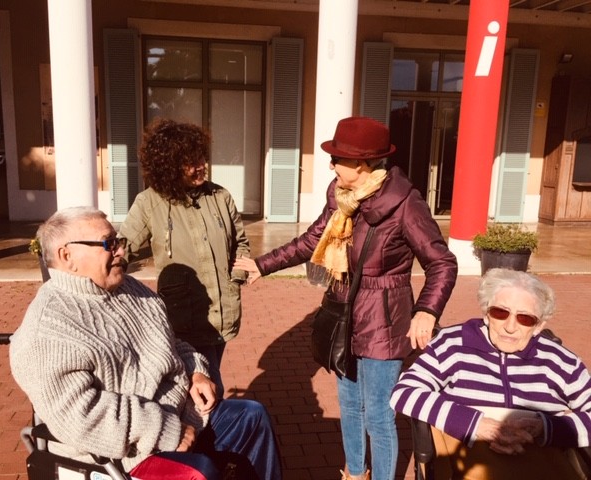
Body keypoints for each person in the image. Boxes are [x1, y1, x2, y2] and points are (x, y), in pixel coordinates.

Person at [234, 116, 458, 480]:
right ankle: (355, 473)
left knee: (379, 414)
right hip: (343, 313)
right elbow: (311, 241)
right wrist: (263, 264)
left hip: (385, 320)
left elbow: (442, 263)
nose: (331, 166)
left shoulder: (405, 204)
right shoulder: (340, 197)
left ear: (363, 163)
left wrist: (426, 311)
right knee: (351, 405)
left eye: (337, 159)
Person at [9, 206, 281, 480]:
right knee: (198, 472)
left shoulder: (132, 289)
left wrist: (195, 372)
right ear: (67, 256)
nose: (121, 251)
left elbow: (172, 343)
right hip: (126, 454)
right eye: (108, 244)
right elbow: (82, 417)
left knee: (252, 417)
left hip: (183, 414)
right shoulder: (47, 330)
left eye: (118, 241)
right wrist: (167, 430)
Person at [390, 268, 591, 480]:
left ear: (539, 326)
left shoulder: (560, 361)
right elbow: (404, 393)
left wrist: (545, 428)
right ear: (487, 314)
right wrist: (474, 424)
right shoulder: (452, 345)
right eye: (500, 313)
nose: (510, 327)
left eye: (525, 318)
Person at [119, 118, 250, 399]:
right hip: (184, 319)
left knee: (207, 381)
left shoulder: (220, 196)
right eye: (190, 162)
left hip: (223, 313)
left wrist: (235, 279)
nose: (200, 165)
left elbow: (240, 243)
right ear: (168, 166)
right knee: (208, 389)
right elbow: (122, 248)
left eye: (201, 157)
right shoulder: (150, 202)